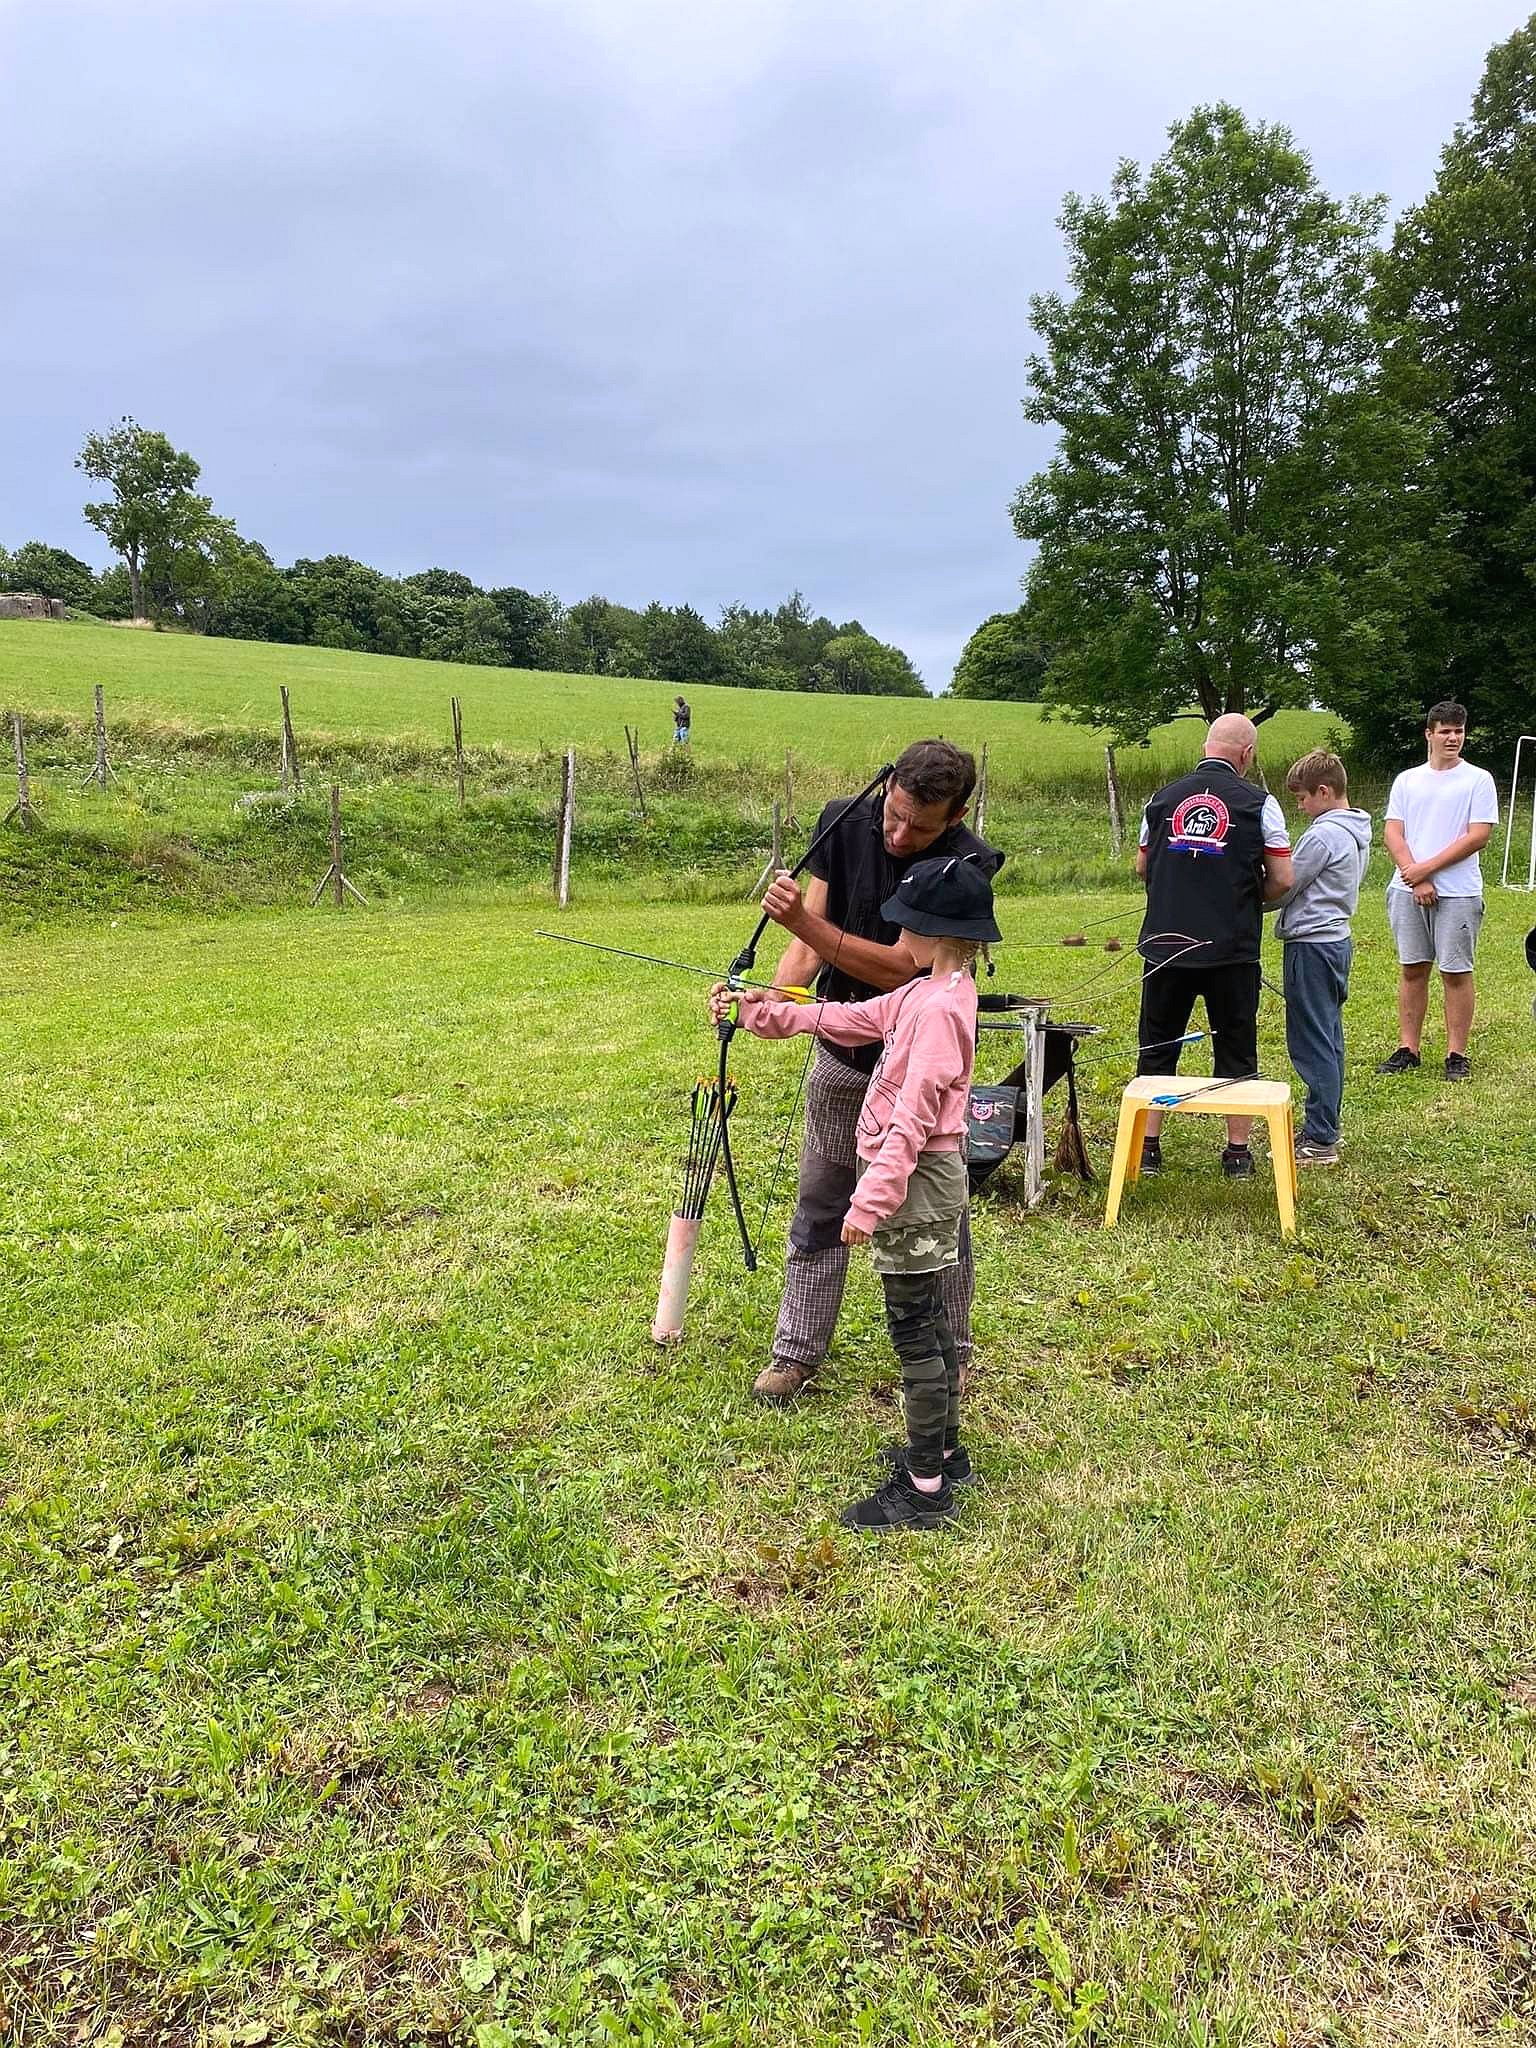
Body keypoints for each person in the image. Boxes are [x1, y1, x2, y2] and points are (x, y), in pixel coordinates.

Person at [709, 855, 1001, 1527]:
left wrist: (870, 1200)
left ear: (934, 932)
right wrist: (764, 1012)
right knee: (924, 1318)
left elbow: (914, 1117)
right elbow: (850, 1017)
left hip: (915, 1185)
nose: (899, 937)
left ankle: (925, 1488)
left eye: (907, 926)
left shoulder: (938, 1012)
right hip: (915, 1182)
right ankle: (943, 1452)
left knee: (914, 1328)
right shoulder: (930, 992)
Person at [751, 739, 1002, 1406]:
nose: (898, 836)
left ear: (956, 816)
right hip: (843, 1061)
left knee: (937, 1220)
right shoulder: (843, 821)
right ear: (887, 787)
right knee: (820, 1201)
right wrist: (770, 1005)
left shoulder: (967, 863)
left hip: (922, 1072)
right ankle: (796, 1351)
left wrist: (801, 921)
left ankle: (951, 1361)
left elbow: (899, 968)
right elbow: (808, 951)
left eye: (919, 828)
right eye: (893, 815)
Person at [1134, 714, 1294, 1180]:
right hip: (1232, 948)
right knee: (1236, 1048)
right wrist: (1246, 899)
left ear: (1206, 747)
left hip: (1165, 946)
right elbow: (1283, 878)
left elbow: (1142, 867)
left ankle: (1148, 1148)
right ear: (1247, 754)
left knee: (1158, 1045)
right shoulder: (1261, 804)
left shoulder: (1161, 799)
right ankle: (1237, 1153)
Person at [1377, 701, 1499, 1082]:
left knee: (1455, 971)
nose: (1453, 738)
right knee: (1413, 968)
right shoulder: (1407, 780)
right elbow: (1392, 832)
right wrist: (1414, 877)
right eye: (1445, 731)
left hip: (1458, 892)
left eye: (1458, 731)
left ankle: (1456, 1054)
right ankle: (1408, 1048)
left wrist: (1427, 869)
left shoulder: (1478, 780)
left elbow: (1478, 836)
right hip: (1407, 889)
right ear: (1429, 734)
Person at [1266, 750, 1372, 1167]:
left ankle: (1320, 1139)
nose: (1299, 806)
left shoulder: (1323, 835)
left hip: (1311, 945)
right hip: (1335, 942)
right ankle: (1323, 1124)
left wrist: (1238, 902)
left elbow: (1284, 885)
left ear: (1324, 791)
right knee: (1328, 1036)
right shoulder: (1355, 830)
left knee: (1312, 1042)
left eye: (1302, 798)